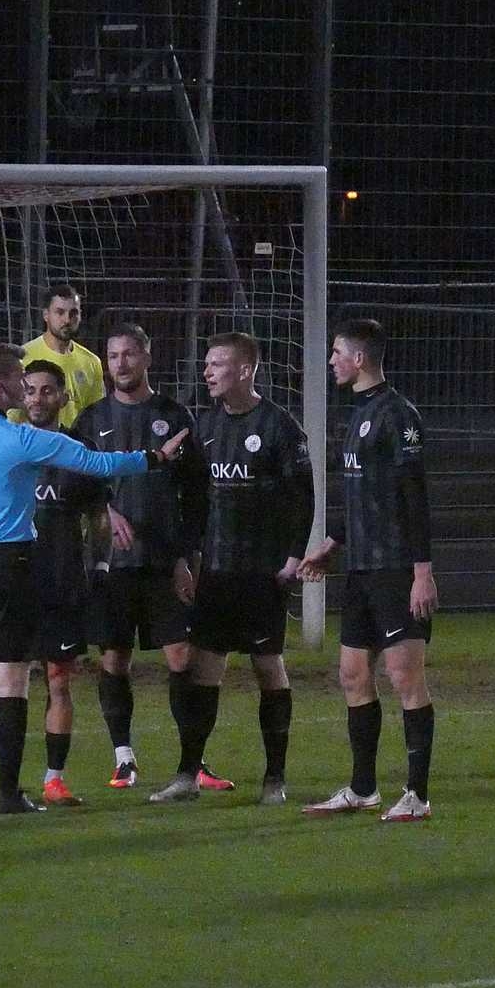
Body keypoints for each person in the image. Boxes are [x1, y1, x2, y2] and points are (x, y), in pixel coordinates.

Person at [0, 343, 187, 814]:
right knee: (11, 680)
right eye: (19, 380)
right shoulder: (21, 440)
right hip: (10, 564)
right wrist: (154, 458)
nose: (25, 388)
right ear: (0, 387)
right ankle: (8, 793)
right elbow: (99, 464)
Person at [147, 333, 313, 806]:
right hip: (217, 571)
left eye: (216, 364)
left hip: (262, 573)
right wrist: (186, 557)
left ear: (245, 370)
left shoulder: (279, 426)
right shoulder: (206, 426)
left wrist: (293, 556)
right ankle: (188, 775)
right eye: (206, 364)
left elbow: (303, 497)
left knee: (267, 667)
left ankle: (275, 780)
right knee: (203, 670)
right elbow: (195, 501)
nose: (207, 372)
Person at [73, 323, 233, 793]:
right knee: (114, 658)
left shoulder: (173, 415)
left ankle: (193, 762)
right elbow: (76, 484)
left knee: (182, 657)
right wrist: (105, 511)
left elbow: (197, 493)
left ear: (146, 356)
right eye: (112, 356)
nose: (120, 364)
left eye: (128, 354)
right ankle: (123, 757)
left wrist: (188, 555)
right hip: (111, 563)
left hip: (164, 560)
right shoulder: (91, 420)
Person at [299, 318, 439, 823]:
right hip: (359, 568)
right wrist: (332, 544)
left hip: (395, 568)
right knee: (352, 674)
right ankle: (363, 789)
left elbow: (413, 497)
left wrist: (422, 572)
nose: (331, 360)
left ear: (359, 359)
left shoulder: (399, 415)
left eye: (337, 352)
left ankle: (417, 796)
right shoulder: (356, 414)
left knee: (404, 676)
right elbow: (360, 494)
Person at [22, 359, 115, 806]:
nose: (37, 398)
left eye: (46, 390)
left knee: (58, 679)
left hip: (62, 582)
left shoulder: (80, 451)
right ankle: (8, 780)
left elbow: (99, 516)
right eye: (30, 390)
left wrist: (101, 567)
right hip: (16, 583)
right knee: (11, 681)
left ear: (62, 397)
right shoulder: (11, 446)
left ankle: (53, 779)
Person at [9, 284, 106, 429]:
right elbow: (13, 415)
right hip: (34, 441)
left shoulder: (91, 362)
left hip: (74, 442)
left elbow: (97, 415)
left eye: (73, 313)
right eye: (60, 312)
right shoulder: (23, 357)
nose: (67, 320)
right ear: (46, 315)